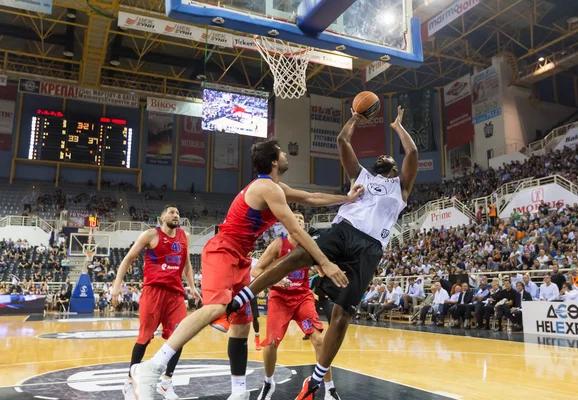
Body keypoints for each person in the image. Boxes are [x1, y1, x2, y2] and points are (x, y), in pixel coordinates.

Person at [130, 139, 363, 400]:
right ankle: (152, 367)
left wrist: (348, 198)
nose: (286, 155)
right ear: (275, 161)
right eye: (282, 153)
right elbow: (297, 230)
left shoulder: (275, 187)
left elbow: (311, 197)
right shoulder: (267, 188)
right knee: (217, 308)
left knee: (241, 324)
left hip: (239, 255)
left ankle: (239, 392)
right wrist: (325, 262)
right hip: (223, 249)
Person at [226, 106, 418, 400]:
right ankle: (246, 296)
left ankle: (316, 380)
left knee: (342, 317)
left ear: (393, 167)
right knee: (298, 256)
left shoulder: (401, 187)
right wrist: (355, 116)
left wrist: (397, 127)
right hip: (343, 230)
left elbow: (413, 153)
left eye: (385, 158)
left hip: (369, 249)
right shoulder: (361, 175)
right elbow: (343, 142)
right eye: (377, 156)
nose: (379, 157)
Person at [113, 205, 200, 400]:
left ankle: (166, 383)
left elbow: (186, 265)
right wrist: (117, 286)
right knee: (144, 338)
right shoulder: (151, 235)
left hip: (175, 295)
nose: (175, 214)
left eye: (178, 212)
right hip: (153, 292)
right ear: (162, 217)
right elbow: (128, 259)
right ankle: (129, 381)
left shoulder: (185, 236)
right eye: (171, 212)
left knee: (180, 336)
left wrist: (192, 287)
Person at [254, 212, 340, 400]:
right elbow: (256, 270)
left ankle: (329, 389)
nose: (299, 221)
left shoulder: (310, 245)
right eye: (295, 218)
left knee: (319, 340)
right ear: (287, 222)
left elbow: (322, 267)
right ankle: (269, 383)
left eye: (302, 219)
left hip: (302, 298)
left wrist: (327, 270)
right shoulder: (278, 244)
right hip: (280, 299)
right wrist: (275, 281)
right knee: (271, 343)